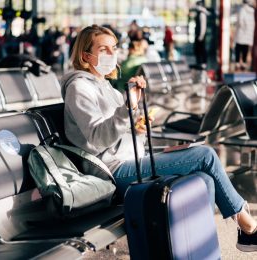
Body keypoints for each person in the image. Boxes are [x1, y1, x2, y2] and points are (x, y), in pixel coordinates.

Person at [60, 24, 257, 252]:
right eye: (103, 49)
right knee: (206, 156)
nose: (112, 54)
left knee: (205, 178)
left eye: (114, 48)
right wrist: (127, 109)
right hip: (111, 171)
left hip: (130, 161)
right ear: (86, 55)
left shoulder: (108, 88)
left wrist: (140, 132)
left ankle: (198, 251)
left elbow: (119, 134)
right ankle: (249, 228)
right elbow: (97, 138)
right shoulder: (79, 88)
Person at [234, 0, 255, 71]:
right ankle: (244, 63)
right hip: (248, 34)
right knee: (245, 48)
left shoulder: (242, 10)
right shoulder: (252, 11)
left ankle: (237, 63)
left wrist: (242, 28)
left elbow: (240, 21)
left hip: (241, 33)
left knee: (238, 48)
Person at [194, 0, 209, 69]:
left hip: (200, 35)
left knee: (202, 49)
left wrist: (201, 35)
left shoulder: (202, 14)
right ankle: (200, 62)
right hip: (199, 35)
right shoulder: (199, 13)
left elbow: (203, 26)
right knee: (198, 49)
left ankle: (203, 62)